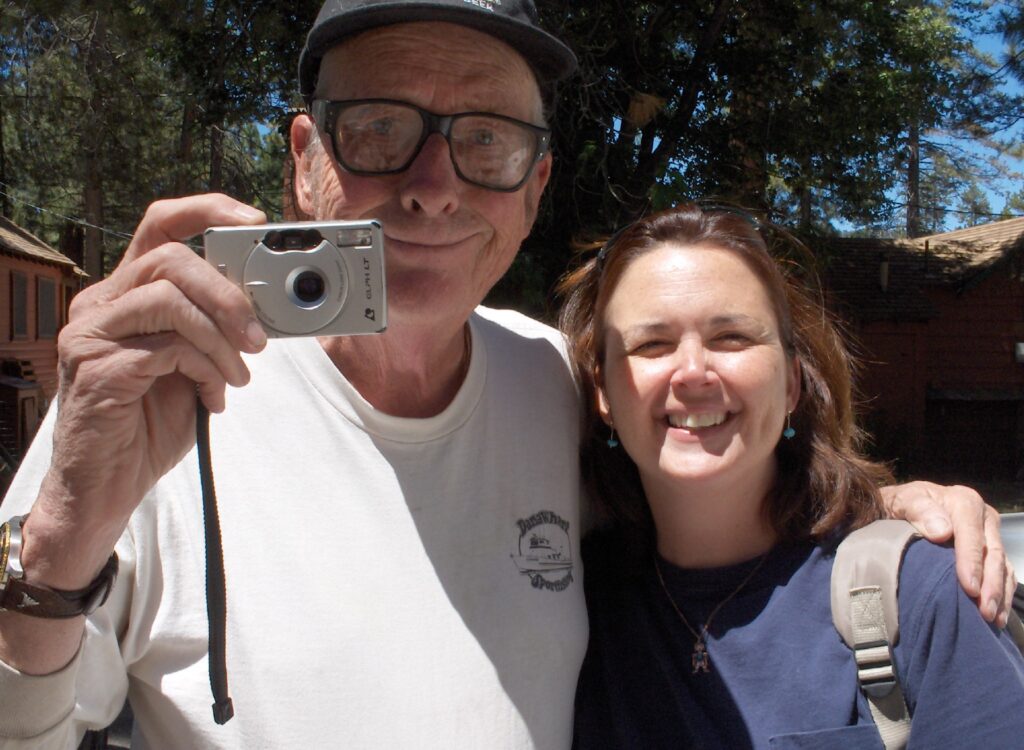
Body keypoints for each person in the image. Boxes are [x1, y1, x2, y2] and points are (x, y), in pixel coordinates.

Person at [0, 2, 1011, 748]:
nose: (433, 189)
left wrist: (890, 511)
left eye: (485, 140)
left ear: (535, 187)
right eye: (381, 127)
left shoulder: (551, 380)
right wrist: (60, 536)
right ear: (306, 159)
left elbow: (710, 469)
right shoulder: (152, 400)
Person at [559, 204, 1024, 748]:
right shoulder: (567, 602)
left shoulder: (925, 598)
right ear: (604, 394)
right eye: (651, 345)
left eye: (731, 336)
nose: (692, 372)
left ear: (791, 384)